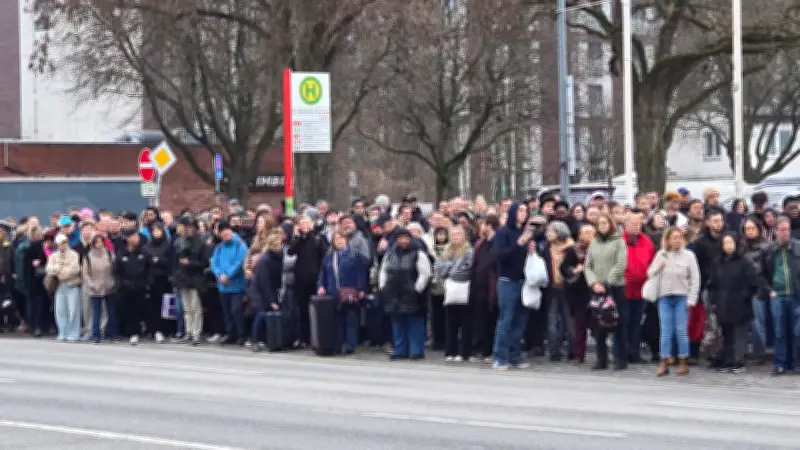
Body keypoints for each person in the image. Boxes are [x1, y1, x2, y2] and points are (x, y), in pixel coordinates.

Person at [647, 227, 700, 376]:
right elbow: (649, 273)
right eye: (674, 238)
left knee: (681, 331)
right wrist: (659, 266)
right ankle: (664, 361)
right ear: (668, 240)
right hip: (664, 298)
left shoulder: (689, 256)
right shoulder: (661, 254)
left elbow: (695, 279)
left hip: (682, 297)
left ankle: (683, 361)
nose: (677, 240)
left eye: (679, 237)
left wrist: (692, 299)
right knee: (665, 331)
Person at [708, 232, 763, 373]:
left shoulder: (744, 261)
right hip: (722, 302)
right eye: (725, 243)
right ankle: (727, 359)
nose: (728, 246)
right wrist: (713, 300)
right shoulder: (717, 262)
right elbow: (712, 283)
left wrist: (745, 294)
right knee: (726, 333)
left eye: (730, 242)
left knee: (739, 333)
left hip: (740, 302)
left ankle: (739, 360)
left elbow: (753, 280)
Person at [379, 228, 431, 361]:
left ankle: (416, 350)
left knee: (415, 323)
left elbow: (425, 273)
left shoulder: (419, 254)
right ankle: (400, 349)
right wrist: (383, 287)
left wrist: (417, 289)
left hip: (412, 295)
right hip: (393, 294)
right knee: (398, 323)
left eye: (406, 238)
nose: (403, 241)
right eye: (400, 238)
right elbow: (383, 271)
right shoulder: (389, 254)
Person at [492, 201, 532, 371]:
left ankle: (515, 355)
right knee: (506, 320)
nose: (524, 213)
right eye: (520, 210)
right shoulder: (503, 232)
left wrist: (531, 248)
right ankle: (500, 357)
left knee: (519, 321)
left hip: (524, 281)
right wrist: (518, 244)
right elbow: (500, 256)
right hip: (507, 281)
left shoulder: (525, 232)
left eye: (526, 210)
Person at [584, 212, 627, 370]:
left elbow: (620, 264)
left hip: (615, 287)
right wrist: (594, 282)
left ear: (610, 224)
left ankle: (621, 358)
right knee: (598, 324)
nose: (602, 226)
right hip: (597, 289)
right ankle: (601, 359)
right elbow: (588, 265)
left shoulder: (619, 242)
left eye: (605, 223)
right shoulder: (593, 243)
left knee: (618, 323)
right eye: (599, 223)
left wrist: (608, 282)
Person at [760, 217, 800, 375]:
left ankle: (797, 363)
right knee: (779, 331)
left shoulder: (797, 247)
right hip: (778, 295)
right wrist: (769, 290)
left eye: (787, 229)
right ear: (775, 231)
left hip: (796, 295)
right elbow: (761, 274)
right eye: (782, 230)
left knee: (797, 332)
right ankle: (780, 363)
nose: (785, 233)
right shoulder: (768, 250)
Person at [317, 229, 368, 354]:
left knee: (351, 319)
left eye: (341, 239)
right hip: (333, 292)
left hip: (350, 292)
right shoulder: (329, 256)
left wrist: (361, 289)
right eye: (336, 239)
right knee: (337, 320)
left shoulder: (355, 255)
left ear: (346, 240)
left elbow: (361, 274)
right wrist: (321, 286)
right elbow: (323, 272)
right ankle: (338, 344)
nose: (339, 241)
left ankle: (350, 344)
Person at [434, 226, 474, 362]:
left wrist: (451, 269)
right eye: (453, 234)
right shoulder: (446, 250)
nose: (455, 236)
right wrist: (453, 268)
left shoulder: (468, 251)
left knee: (465, 323)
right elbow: (440, 267)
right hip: (450, 290)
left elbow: (467, 268)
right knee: (450, 322)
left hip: (464, 288)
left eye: (458, 234)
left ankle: (464, 352)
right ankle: (451, 351)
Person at [287, 216, 328, 347]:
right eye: (302, 224)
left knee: (315, 309)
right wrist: (298, 236)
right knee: (302, 309)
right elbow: (290, 251)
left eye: (307, 224)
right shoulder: (299, 240)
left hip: (315, 278)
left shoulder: (319, 238)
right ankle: (303, 337)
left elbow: (324, 256)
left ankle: (316, 336)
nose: (305, 226)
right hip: (300, 279)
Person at [622, 210, 655, 363]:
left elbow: (652, 262)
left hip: (641, 290)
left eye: (639, 224)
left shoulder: (646, 241)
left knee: (636, 322)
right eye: (634, 224)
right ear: (626, 224)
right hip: (623, 289)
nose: (637, 226)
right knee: (623, 322)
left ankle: (634, 352)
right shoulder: (619, 241)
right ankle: (622, 352)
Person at [211, 221, 249, 346]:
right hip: (223, 286)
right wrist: (219, 274)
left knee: (236, 310)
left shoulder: (240, 245)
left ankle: (241, 334)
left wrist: (227, 275)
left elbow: (239, 262)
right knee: (226, 311)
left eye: (227, 232)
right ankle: (230, 333)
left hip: (237, 285)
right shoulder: (219, 247)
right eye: (222, 233)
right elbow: (214, 263)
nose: (225, 235)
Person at [561, 223, 595, 363]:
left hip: (595, 289)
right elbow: (563, 268)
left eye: (590, 233)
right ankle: (578, 354)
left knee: (598, 323)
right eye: (585, 232)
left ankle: (602, 355)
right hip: (578, 292)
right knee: (579, 325)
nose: (588, 235)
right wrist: (574, 270)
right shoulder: (572, 250)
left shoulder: (598, 249)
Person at [172, 216, 208, 346]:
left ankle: (196, 333)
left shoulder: (201, 243)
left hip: (195, 278)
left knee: (195, 308)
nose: (189, 230)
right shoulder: (181, 242)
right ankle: (188, 332)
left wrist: (190, 263)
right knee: (186, 308)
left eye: (192, 227)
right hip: (183, 278)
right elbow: (176, 261)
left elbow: (204, 263)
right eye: (187, 227)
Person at [542, 221, 574, 362]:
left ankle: (573, 350)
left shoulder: (572, 248)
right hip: (552, 288)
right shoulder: (546, 248)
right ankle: (554, 351)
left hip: (568, 289)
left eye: (552, 231)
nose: (548, 233)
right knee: (552, 321)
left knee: (570, 321)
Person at [249, 230, 284, 352]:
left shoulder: (277, 257)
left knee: (266, 314)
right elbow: (264, 282)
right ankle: (255, 340)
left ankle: (265, 339)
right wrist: (271, 301)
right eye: (279, 243)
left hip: (270, 289)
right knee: (261, 314)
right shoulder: (265, 260)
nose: (281, 246)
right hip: (259, 291)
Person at [470, 216, 499, 363]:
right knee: (480, 319)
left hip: (492, 287)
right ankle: (481, 348)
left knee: (492, 318)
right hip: (479, 286)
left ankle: (490, 350)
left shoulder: (497, 242)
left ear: (489, 226)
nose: (481, 228)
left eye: (484, 225)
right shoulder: (480, 244)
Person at [741, 218, 770, 364]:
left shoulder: (766, 247)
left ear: (758, 229)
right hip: (743, 288)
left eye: (753, 228)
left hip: (759, 289)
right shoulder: (741, 247)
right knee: (744, 322)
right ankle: (744, 351)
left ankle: (760, 352)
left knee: (757, 323)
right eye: (747, 229)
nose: (750, 231)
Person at [46, 234, 82, 342]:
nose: (63, 245)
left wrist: (61, 273)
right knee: (60, 311)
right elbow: (49, 269)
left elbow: (75, 269)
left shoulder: (74, 254)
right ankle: (62, 333)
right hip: (59, 287)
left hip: (72, 285)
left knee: (73, 310)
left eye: (65, 243)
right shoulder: (53, 256)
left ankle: (74, 334)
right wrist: (58, 268)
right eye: (61, 243)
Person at [82, 234, 117, 344]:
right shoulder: (88, 257)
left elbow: (115, 270)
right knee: (96, 312)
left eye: (101, 242)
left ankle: (113, 334)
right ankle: (95, 335)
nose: (99, 244)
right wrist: (91, 285)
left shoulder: (110, 254)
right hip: (95, 288)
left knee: (111, 312)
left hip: (109, 286)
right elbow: (85, 273)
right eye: (96, 242)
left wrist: (113, 282)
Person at [143, 223, 174, 343]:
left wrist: (159, 260)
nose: (156, 233)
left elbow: (171, 261)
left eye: (158, 231)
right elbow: (145, 263)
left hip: (164, 279)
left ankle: (166, 329)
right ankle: (154, 330)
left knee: (165, 305)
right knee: (152, 306)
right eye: (154, 231)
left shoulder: (168, 245)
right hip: (151, 280)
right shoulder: (147, 246)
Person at [115, 229, 147, 345]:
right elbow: (117, 270)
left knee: (137, 310)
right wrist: (122, 283)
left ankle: (136, 332)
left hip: (140, 286)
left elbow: (147, 269)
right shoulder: (122, 252)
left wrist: (145, 283)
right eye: (134, 237)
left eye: (137, 237)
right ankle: (131, 332)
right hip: (125, 287)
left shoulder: (143, 252)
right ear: (128, 238)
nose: (136, 239)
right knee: (127, 310)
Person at [23, 226, 47, 337]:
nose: (38, 235)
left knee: (41, 304)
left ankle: (41, 325)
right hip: (32, 280)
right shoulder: (29, 247)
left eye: (39, 233)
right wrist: (32, 262)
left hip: (42, 279)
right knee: (33, 304)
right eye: (36, 233)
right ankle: (34, 326)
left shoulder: (44, 246)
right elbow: (25, 264)